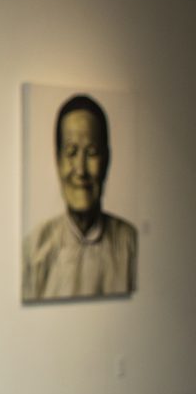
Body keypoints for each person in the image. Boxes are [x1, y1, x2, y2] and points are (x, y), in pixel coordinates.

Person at [22, 94, 137, 301]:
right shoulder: (36, 248)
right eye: (71, 152)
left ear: (107, 160)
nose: (81, 170)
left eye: (91, 152)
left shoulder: (129, 243)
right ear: (58, 160)